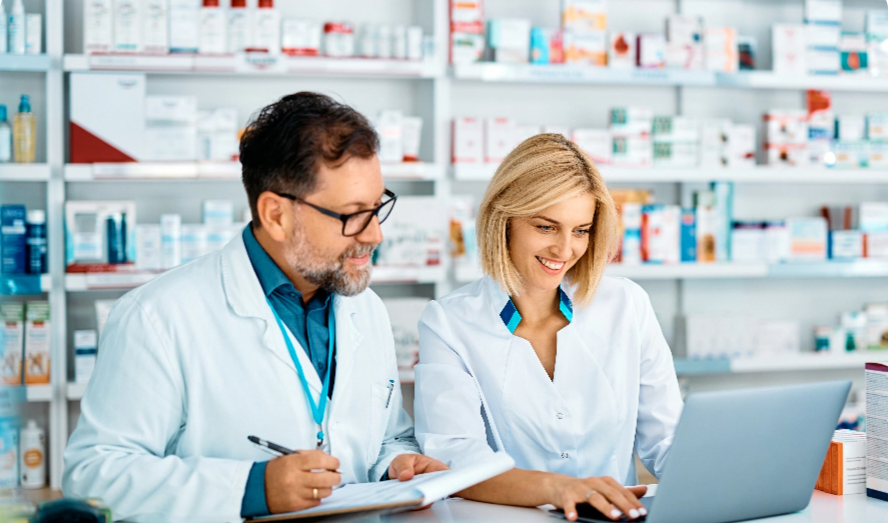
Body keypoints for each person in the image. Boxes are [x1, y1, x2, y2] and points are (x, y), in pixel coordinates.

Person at [63, 92, 447, 523]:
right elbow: (94, 475)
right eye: (354, 214)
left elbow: (385, 436)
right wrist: (251, 488)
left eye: (378, 207)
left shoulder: (366, 309)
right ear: (276, 215)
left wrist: (396, 465)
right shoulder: (158, 316)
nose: (375, 234)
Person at [413, 134, 684, 522]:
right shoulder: (450, 323)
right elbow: (456, 461)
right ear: (503, 220)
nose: (564, 249)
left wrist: (753, 476)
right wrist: (559, 489)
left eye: (581, 230)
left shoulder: (626, 305)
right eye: (545, 227)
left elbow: (669, 441)